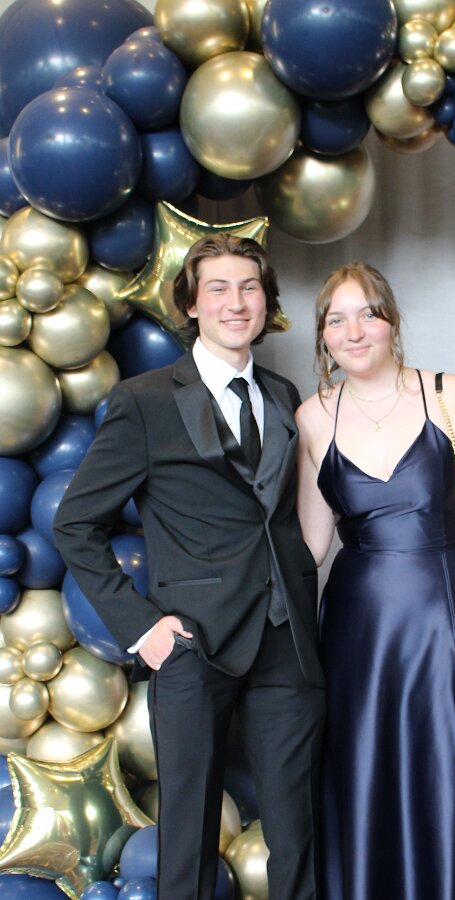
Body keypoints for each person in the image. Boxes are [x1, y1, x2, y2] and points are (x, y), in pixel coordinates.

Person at [54, 235, 325, 900]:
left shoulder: (283, 394)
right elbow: (75, 523)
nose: (237, 302)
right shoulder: (143, 400)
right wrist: (141, 627)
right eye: (218, 289)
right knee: (189, 833)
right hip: (190, 642)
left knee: (298, 829)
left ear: (266, 302)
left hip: (285, 638)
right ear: (192, 305)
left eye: (250, 287)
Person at [295, 262, 455, 900]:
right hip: (359, 637)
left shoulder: (452, 395)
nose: (354, 331)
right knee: (368, 775)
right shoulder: (312, 417)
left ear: (393, 321)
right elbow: (309, 548)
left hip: (450, 622)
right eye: (336, 320)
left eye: (368, 314)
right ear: (323, 336)